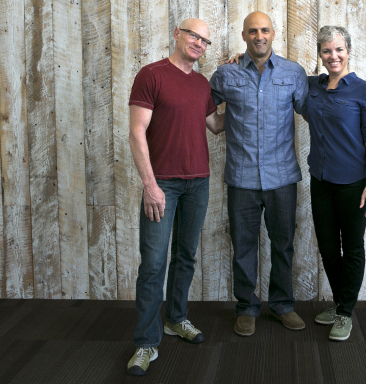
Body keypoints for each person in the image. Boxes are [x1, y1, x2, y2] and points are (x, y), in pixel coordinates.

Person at [127, 18, 224, 376]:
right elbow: (137, 132)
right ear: (177, 35)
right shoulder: (151, 75)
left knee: (185, 257)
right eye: (193, 35)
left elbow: (215, 125)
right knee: (153, 264)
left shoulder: (201, 84)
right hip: (163, 184)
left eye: (205, 40)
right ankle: (145, 343)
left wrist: (243, 86)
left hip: (198, 182)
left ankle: (176, 319)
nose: (199, 43)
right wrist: (150, 185)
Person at [209, 11, 308, 337]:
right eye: (253, 31)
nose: (259, 36)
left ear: (273, 33)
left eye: (264, 30)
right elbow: (201, 105)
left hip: (282, 178)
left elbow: (313, 107)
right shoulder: (226, 74)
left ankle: (283, 305)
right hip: (242, 178)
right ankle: (247, 307)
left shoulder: (294, 73)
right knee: (244, 246)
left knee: (283, 245)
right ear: (244, 35)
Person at [306, 26, 366, 341]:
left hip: (353, 184)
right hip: (320, 181)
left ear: (348, 51)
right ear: (320, 55)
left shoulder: (364, 91)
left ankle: (345, 312)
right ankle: (340, 304)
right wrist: (243, 60)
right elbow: (274, 71)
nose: (333, 56)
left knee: (351, 248)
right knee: (326, 247)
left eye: (338, 49)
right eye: (326, 50)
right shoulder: (312, 86)